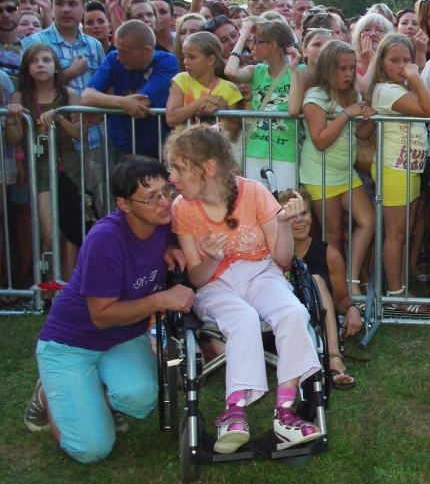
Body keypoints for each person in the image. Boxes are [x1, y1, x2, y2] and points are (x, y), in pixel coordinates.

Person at [23, 156, 195, 463]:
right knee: (91, 450)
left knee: (141, 398)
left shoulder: (162, 223)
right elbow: (101, 316)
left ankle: (89, 398)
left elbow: (176, 240)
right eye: (151, 197)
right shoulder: (104, 239)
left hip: (122, 338)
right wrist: (161, 299)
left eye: (166, 191)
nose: (164, 202)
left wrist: (172, 246)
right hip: (70, 343)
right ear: (124, 204)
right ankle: (48, 396)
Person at [166, 125, 324, 453]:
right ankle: (233, 411)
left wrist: (281, 223)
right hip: (215, 284)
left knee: (294, 312)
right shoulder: (182, 207)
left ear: (208, 168)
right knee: (243, 319)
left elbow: (282, 259)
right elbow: (196, 277)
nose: (172, 177)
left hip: (262, 274)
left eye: (179, 168)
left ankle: (285, 414)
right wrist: (212, 258)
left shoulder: (254, 193)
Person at [366, 33, 430, 308]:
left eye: (406, 60)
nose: (401, 66)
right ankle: (396, 296)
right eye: (394, 60)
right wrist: (417, 75)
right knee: (396, 233)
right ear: (382, 63)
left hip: (408, 168)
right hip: (393, 170)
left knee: (403, 230)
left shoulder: (402, 89)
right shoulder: (387, 91)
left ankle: (397, 284)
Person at [298, 40, 375, 293]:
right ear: (328, 68)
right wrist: (346, 115)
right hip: (319, 173)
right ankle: (337, 291)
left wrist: (370, 117)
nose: (348, 74)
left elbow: (360, 134)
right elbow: (320, 140)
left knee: (368, 220)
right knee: (331, 235)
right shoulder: (315, 96)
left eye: (352, 68)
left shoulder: (353, 94)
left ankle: (351, 280)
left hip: (345, 172)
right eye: (342, 68)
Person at [6, 43, 83, 276]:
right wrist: (12, 117)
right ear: (27, 68)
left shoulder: (69, 94)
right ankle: (50, 287)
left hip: (69, 165)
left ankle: (69, 286)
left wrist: (59, 118)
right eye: (34, 61)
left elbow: (80, 134)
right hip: (39, 166)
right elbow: (14, 139)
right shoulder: (20, 96)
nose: (40, 64)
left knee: (72, 229)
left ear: (56, 67)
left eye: (46, 60)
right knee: (50, 233)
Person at [279, 187, 361, 390]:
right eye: (291, 216)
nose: (299, 220)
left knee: (315, 280)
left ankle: (334, 357)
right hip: (283, 324)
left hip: (317, 320)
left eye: (304, 213)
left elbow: (340, 297)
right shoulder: (274, 254)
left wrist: (352, 308)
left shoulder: (328, 253)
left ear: (311, 216)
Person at [224, 16, 304, 189]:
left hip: (285, 153)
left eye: (257, 42)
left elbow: (293, 109)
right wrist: (244, 35)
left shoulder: (301, 71)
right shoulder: (256, 70)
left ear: (272, 46)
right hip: (254, 151)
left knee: (285, 205)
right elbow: (230, 71)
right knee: (258, 210)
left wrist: (294, 69)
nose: (252, 47)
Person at [82, 20, 176, 160]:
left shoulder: (167, 62)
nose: (118, 56)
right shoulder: (113, 58)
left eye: (124, 52)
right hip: (119, 146)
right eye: (117, 49)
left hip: (157, 149)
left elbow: (141, 102)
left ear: (146, 51)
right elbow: (87, 96)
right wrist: (121, 102)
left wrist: (105, 103)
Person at [164, 31, 243, 140]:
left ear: (210, 60)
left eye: (192, 57)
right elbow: (171, 118)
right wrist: (204, 100)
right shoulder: (181, 79)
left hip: (215, 152)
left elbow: (234, 133)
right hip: (184, 150)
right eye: (184, 56)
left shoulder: (230, 88)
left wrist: (221, 112)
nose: (185, 62)